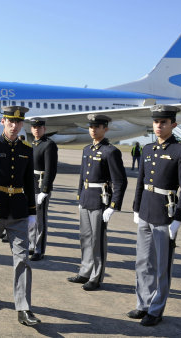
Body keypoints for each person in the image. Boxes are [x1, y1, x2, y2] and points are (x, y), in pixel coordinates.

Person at [127, 105, 181, 326]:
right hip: (146, 210)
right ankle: (143, 304)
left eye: (164, 122)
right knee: (143, 262)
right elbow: (141, 181)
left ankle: (156, 310)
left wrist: (179, 218)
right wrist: (136, 207)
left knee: (161, 267)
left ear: (173, 124)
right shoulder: (147, 149)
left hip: (165, 215)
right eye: (156, 122)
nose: (159, 126)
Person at [0, 106, 40, 326]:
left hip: (19, 212)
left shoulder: (26, 148)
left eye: (19, 122)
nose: (15, 126)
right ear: (3, 121)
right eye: (11, 122)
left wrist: (33, 213)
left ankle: (23, 308)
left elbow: (29, 184)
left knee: (22, 259)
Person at [68, 114, 127, 291]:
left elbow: (120, 181)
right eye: (91, 126)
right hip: (86, 198)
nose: (93, 129)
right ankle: (85, 271)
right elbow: (82, 176)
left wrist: (113, 205)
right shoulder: (87, 149)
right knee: (85, 238)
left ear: (105, 129)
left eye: (97, 126)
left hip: (100, 201)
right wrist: (80, 196)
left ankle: (96, 276)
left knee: (97, 240)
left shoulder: (111, 151)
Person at [28, 118, 58, 261]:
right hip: (31, 184)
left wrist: (45, 190)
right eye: (34, 127)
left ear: (44, 129)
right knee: (32, 218)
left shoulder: (49, 145)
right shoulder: (33, 144)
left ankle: (39, 250)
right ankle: (32, 245)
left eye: (39, 127)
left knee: (40, 220)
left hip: (41, 185)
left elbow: (50, 170)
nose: (36, 129)